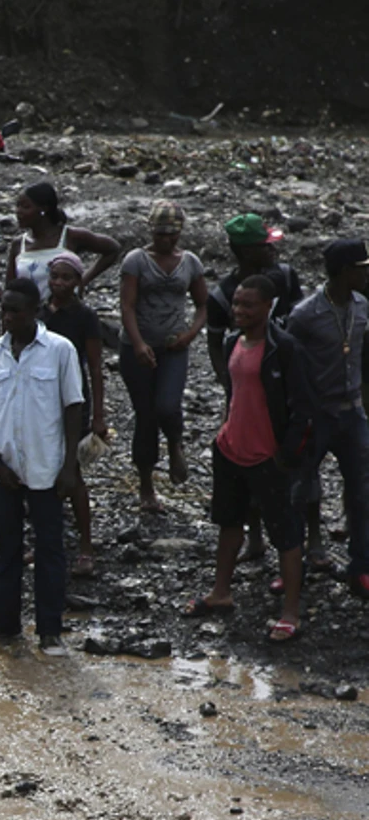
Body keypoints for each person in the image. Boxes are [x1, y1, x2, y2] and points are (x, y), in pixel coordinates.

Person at [0, 279, 85, 655]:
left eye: (16, 311)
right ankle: (5, 627)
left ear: (35, 312)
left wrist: (69, 466)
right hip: (5, 469)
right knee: (7, 549)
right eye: (4, 310)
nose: (8, 317)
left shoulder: (60, 350)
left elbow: (73, 406)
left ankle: (50, 631)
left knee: (49, 549)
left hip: (46, 466)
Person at [185, 276, 313, 643]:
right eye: (237, 304)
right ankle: (220, 592)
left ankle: (291, 612)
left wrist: (287, 455)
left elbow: (303, 409)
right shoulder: (231, 343)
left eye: (248, 305)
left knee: (285, 535)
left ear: (268, 307)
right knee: (228, 522)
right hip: (230, 450)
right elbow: (235, 394)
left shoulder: (284, 349)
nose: (239, 311)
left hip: (266, 457)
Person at [285, 240, 369, 596]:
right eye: (361, 267)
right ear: (343, 271)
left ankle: (361, 566)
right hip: (316, 415)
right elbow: (288, 364)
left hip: (353, 412)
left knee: (363, 491)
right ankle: (293, 560)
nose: (366, 274)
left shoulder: (363, 306)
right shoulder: (306, 314)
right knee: (298, 487)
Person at [118, 199, 208, 514]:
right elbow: (127, 305)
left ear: (179, 234)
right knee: (145, 415)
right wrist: (138, 343)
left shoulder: (190, 263)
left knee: (168, 404)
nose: (164, 240)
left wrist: (191, 334)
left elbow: (202, 305)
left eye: (170, 235)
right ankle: (146, 485)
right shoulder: (136, 261)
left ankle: (174, 444)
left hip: (173, 347)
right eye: (159, 234)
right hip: (136, 348)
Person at [41, 252, 107, 577]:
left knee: (73, 472)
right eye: (55, 277)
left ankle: (85, 546)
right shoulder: (38, 313)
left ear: (78, 281)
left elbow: (94, 366)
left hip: (72, 399)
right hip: (41, 399)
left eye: (67, 278)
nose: (60, 283)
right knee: (39, 469)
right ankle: (45, 540)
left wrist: (99, 413)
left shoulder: (84, 316)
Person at [206, 213, 302, 387]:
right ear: (248, 253)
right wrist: (227, 381)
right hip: (249, 379)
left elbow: (302, 323)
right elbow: (214, 344)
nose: (273, 250)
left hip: (289, 373)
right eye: (266, 246)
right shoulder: (222, 295)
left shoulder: (286, 276)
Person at [6, 182, 121, 301]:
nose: (18, 211)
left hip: (65, 313)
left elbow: (112, 249)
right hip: (30, 316)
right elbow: (10, 288)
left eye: (25, 207)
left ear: (43, 209)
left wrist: (82, 281)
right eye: (17, 206)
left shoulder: (69, 236)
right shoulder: (19, 244)